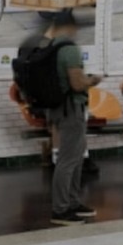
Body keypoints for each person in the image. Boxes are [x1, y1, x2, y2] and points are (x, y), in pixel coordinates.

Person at [40, 13, 101, 225]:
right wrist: (93, 80)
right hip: (71, 108)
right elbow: (77, 84)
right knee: (68, 160)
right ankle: (61, 209)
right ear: (70, 26)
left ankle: (73, 202)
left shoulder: (48, 47)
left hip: (56, 108)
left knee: (75, 158)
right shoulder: (69, 49)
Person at [18, 23, 100, 175]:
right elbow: (76, 84)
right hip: (64, 101)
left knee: (56, 125)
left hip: (41, 101)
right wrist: (92, 80)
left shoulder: (32, 49)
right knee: (77, 123)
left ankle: (57, 158)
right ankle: (83, 159)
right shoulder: (62, 48)